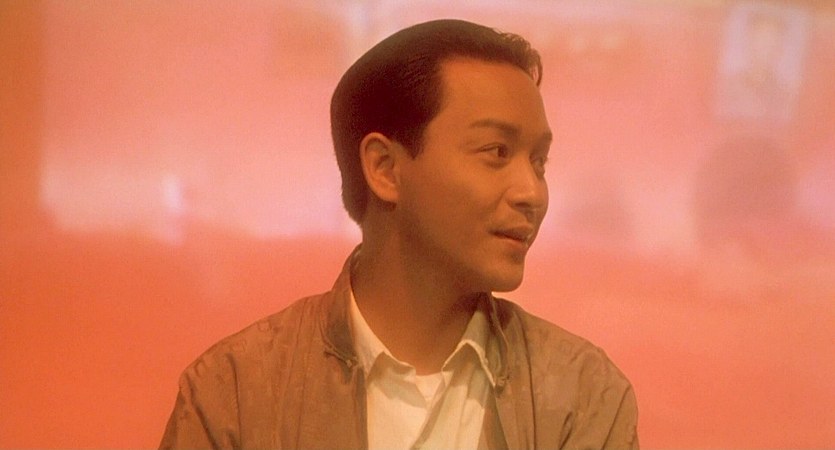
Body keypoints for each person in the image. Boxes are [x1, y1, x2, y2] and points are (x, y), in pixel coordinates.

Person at [160, 19, 638, 449]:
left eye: (539, 162)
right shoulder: (237, 392)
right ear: (385, 168)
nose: (532, 192)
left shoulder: (582, 396)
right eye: (497, 151)